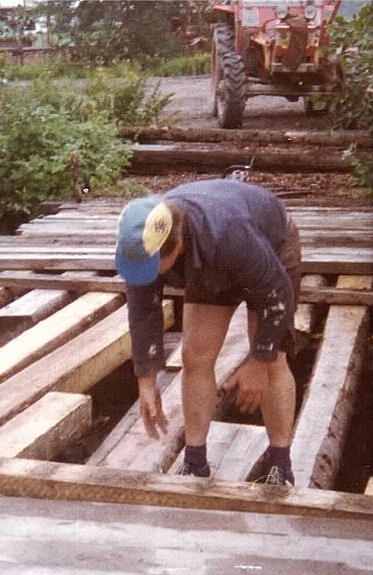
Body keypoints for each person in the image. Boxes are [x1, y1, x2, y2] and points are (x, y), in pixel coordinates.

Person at [115, 179, 302, 486]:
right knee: (195, 355)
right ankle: (195, 462)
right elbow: (142, 312)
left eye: (152, 265)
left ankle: (281, 467)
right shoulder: (140, 240)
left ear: (176, 245)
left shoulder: (231, 233)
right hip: (210, 259)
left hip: (271, 251)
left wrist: (257, 361)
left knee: (274, 362)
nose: (145, 274)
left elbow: (276, 295)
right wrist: (146, 380)